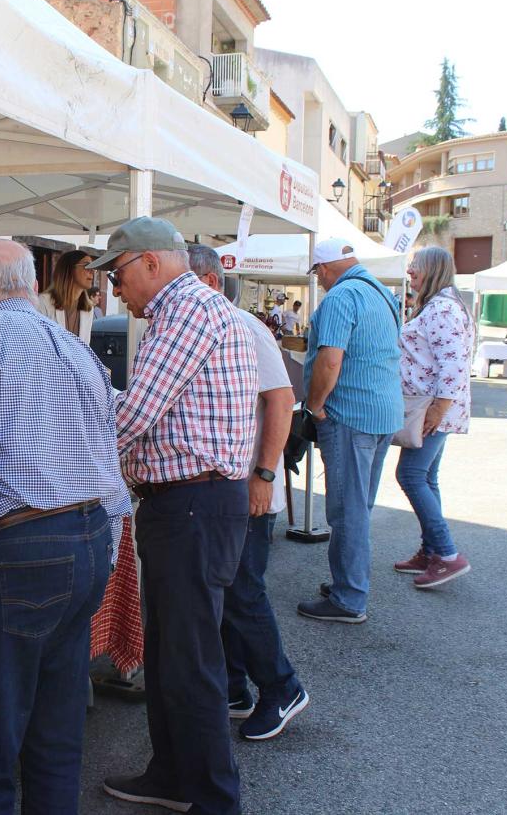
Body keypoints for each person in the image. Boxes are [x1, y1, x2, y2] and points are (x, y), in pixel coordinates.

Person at [0, 239, 131, 814]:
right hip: (87, 537)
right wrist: (107, 546)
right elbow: (108, 451)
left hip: (19, 549)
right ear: (30, 284)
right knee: (55, 734)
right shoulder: (73, 345)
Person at [89, 218, 257, 814]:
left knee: (189, 662)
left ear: (151, 263)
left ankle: (213, 799)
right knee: (169, 656)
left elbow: (132, 416)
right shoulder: (192, 309)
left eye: (118, 275)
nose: (116, 290)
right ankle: (173, 775)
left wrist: (64, 441)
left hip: (192, 506)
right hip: (188, 504)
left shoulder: (184, 311)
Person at [187, 245, 309, 742]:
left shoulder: (244, 327)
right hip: (231, 485)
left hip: (247, 485)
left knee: (242, 591)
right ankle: (235, 687)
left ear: (210, 283)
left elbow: (282, 401)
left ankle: (283, 687)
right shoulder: (212, 324)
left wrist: (264, 475)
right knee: (228, 591)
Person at [298, 238, 403, 623]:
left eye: (318, 273)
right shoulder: (381, 293)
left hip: (350, 415)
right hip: (382, 411)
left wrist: (315, 406)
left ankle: (349, 597)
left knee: (347, 511)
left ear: (324, 269)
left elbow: (330, 360)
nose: (320, 280)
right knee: (359, 506)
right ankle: (349, 582)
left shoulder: (341, 297)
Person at [394, 246, 474, 588]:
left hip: (430, 408)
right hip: (432, 407)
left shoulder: (442, 309)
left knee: (410, 475)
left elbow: (453, 365)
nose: (411, 271)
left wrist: (438, 410)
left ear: (434, 270)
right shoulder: (442, 305)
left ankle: (446, 554)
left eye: (417, 266)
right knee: (426, 477)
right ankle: (431, 552)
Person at [37, 249, 96, 344]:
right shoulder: (43, 302)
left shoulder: (88, 308)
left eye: (93, 267)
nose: (92, 271)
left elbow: (85, 348)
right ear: (69, 269)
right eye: (87, 266)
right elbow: (38, 342)